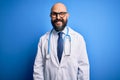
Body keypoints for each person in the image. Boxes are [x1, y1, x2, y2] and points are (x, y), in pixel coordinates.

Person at [33, 2, 90, 80]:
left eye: (62, 13)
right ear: (50, 16)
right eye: (54, 14)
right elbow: (38, 69)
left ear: (67, 15)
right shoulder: (43, 40)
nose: (58, 17)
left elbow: (84, 69)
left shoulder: (78, 39)